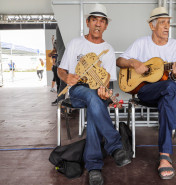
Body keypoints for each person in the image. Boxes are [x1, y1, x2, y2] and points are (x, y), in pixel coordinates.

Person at [116, 6, 176, 180]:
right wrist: (133, 63)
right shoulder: (141, 43)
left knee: (168, 92)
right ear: (152, 26)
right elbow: (119, 61)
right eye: (162, 23)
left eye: (168, 23)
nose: (166, 27)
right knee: (170, 89)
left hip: (165, 93)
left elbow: (173, 78)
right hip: (145, 91)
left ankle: (165, 156)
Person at [57, 4, 131, 185]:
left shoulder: (108, 50)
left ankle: (94, 168)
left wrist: (104, 92)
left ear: (106, 26)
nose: (98, 24)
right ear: (88, 22)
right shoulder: (75, 43)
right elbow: (61, 69)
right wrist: (67, 77)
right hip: (77, 90)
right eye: (95, 20)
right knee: (91, 97)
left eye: (102, 21)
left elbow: (106, 80)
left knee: (94, 103)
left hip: (98, 93)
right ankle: (115, 145)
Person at [51, 25, 67, 106]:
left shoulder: (59, 27)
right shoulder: (64, 26)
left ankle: (60, 102)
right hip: (65, 60)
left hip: (61, 60)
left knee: (62, 84)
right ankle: (62, 103)